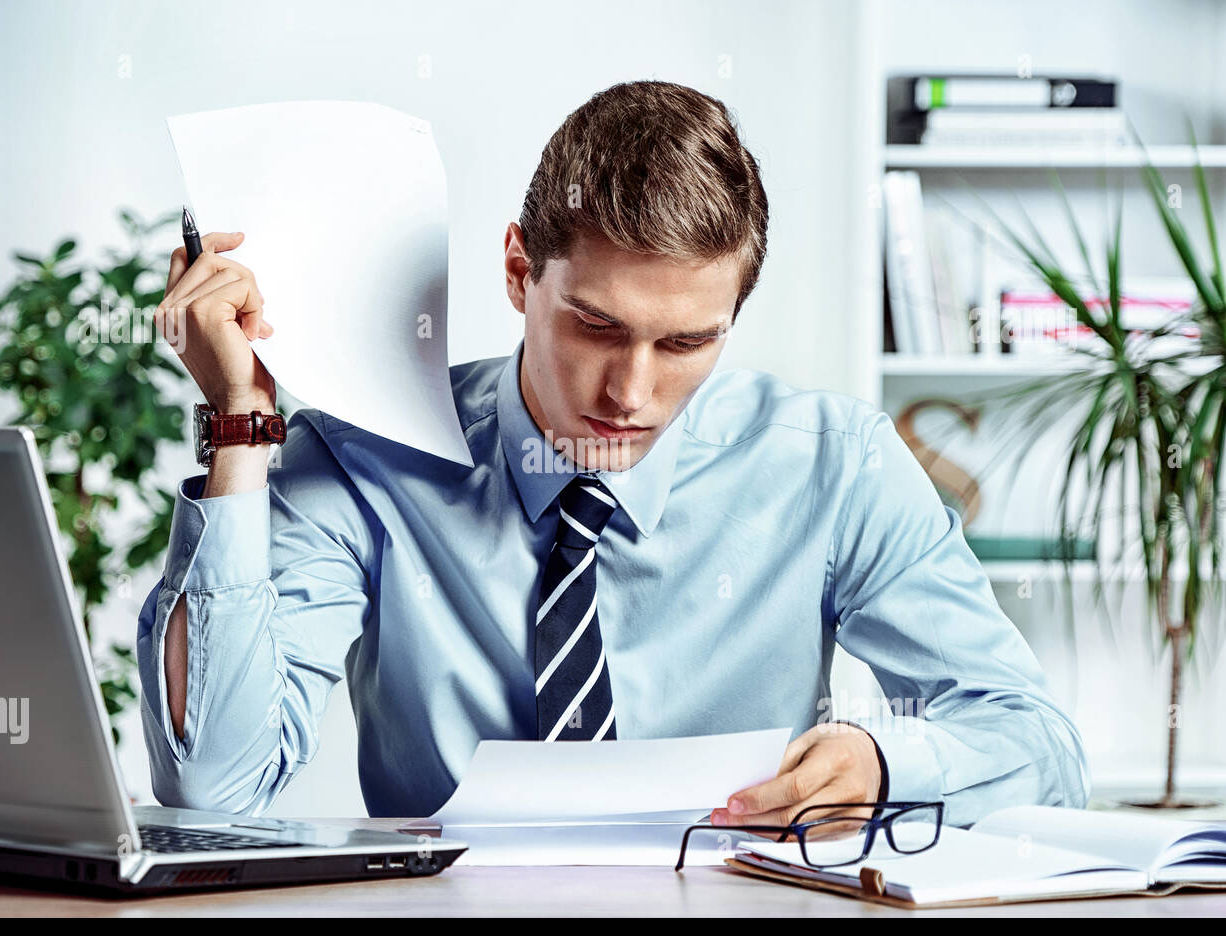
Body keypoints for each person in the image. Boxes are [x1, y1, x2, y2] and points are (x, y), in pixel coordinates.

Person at [139, 80, 1089, 830]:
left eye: (686, 345)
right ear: (519, 271)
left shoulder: (834, 468)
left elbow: (1039, 748)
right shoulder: (366, 458)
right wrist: (239, 422)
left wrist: (888, 766)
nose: (630, 394)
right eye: (597, 326)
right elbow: (217, 788)